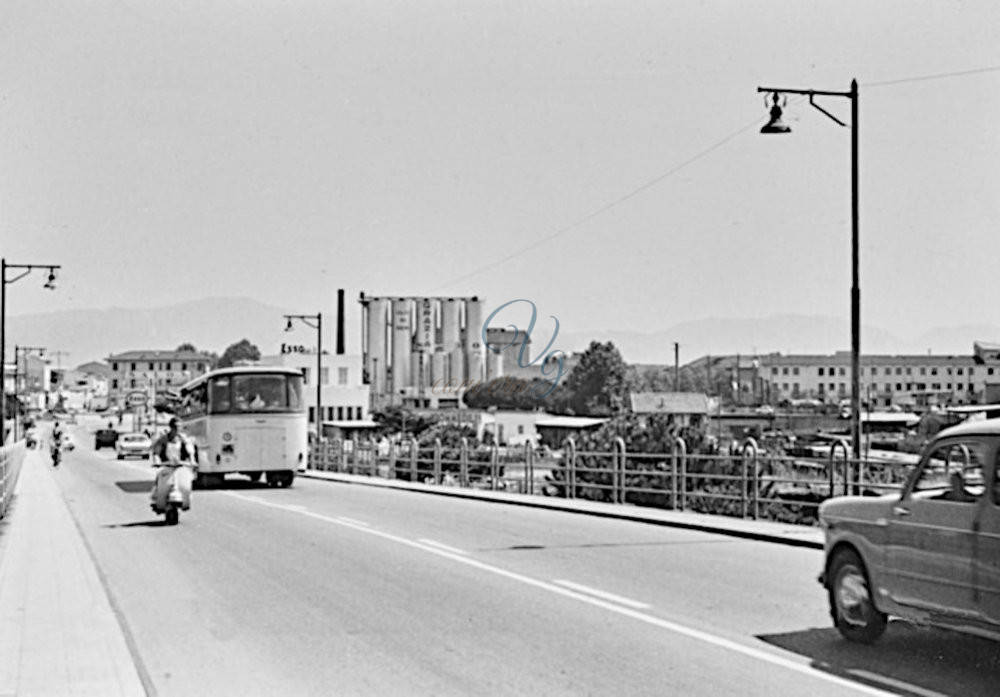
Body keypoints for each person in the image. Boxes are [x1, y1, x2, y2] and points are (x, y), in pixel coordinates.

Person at [150, 417, 196, 511]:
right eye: (175, 427)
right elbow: (157, 452)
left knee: (188, 479)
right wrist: (157, 461)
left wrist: (192, 461)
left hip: (181, 465)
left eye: (179, 427)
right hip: (167, 465)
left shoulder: (184, 440)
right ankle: (156, 497)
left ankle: (187, 497)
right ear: (171, 427)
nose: (177, 429)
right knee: (159, 477)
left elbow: (190, 451)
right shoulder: (163, 439)